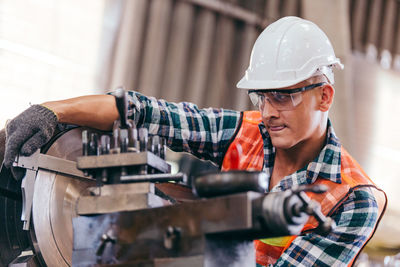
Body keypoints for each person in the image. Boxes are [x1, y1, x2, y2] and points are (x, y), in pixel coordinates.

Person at [3, 16, 386, 266]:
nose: (268, 111)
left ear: (324, 96)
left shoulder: (353, 199)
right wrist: (53, 111)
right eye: (261, 96)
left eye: (283, 96)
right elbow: (148, 112)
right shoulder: (247, 133)